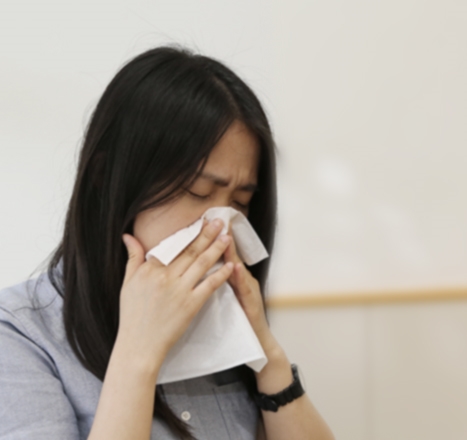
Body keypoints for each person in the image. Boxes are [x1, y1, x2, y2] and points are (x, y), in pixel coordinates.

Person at [0, 45, 335, 440]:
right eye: (198, 192)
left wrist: (268, 357)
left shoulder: (225, 324)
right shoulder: (20, 335)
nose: (221, 228)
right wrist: (138, 356)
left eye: (240, 202)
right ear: (108, 179)